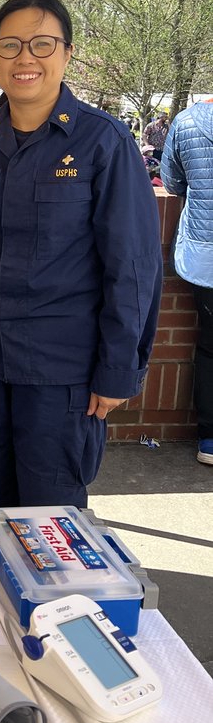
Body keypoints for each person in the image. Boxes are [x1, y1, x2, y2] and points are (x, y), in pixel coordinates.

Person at [0, 0, 163, 513]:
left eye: (42, 44)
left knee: (53, 522)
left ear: (67, 54)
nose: (25, 58)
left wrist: (118, 369)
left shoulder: (105, 143)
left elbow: (133, 269)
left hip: (63, 373)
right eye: (10, 45)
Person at [161, 102, 213, 466]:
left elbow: (172, 182)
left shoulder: (188, 121)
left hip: (205, 257)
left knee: (211, 347)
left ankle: (210, 438)